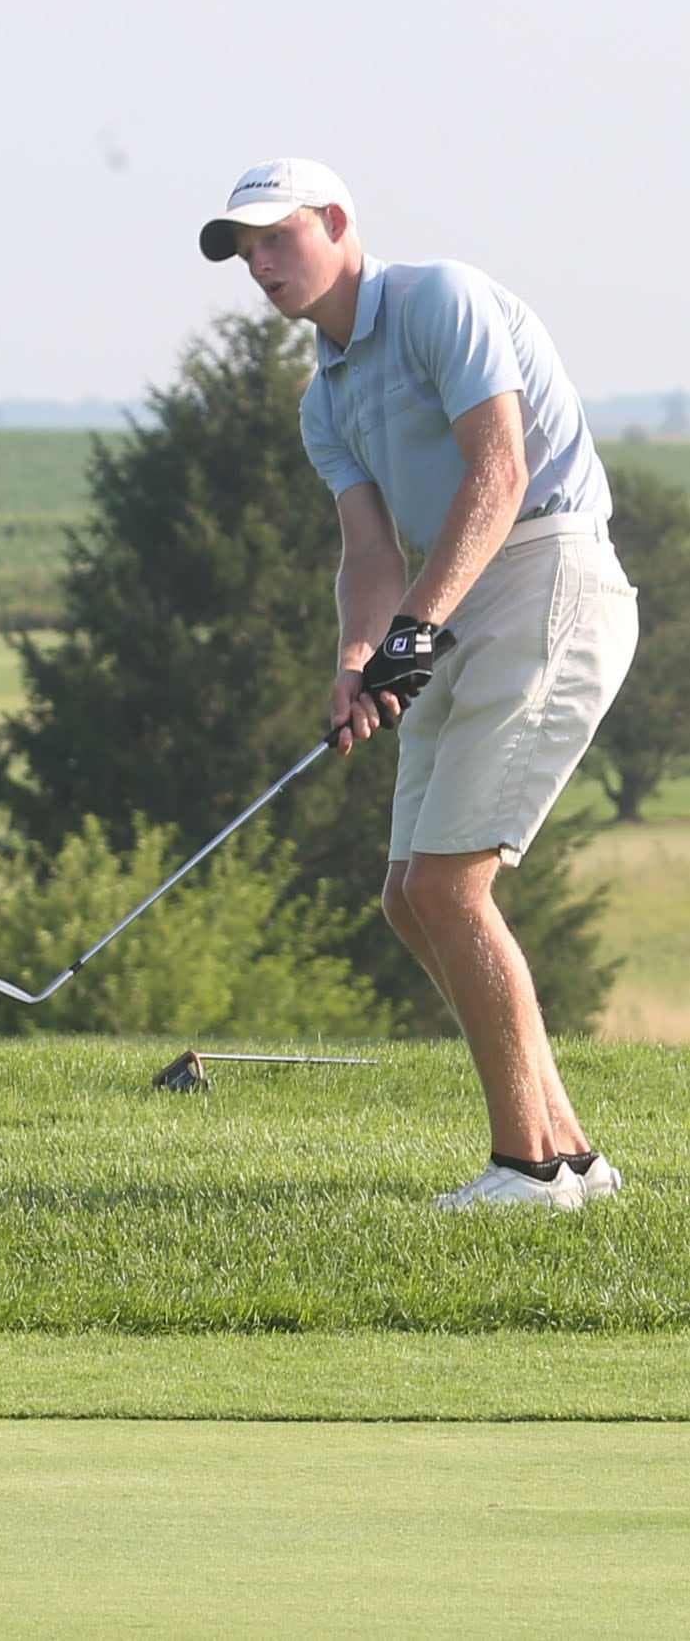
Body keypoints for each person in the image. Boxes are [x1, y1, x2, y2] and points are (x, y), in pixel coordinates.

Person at [200, 158, 639, 1210]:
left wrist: (414, 634)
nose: (260, 263)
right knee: (409, 897)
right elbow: (369, 552)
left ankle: (527, 1169)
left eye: (277, 237)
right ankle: (571, 1153)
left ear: (338, 223)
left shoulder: (439, 297)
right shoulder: (324, 395)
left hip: (544, 574)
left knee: (451, 886)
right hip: (448, 604)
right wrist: (358, 660)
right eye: (243, 249)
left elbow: (501, 473)